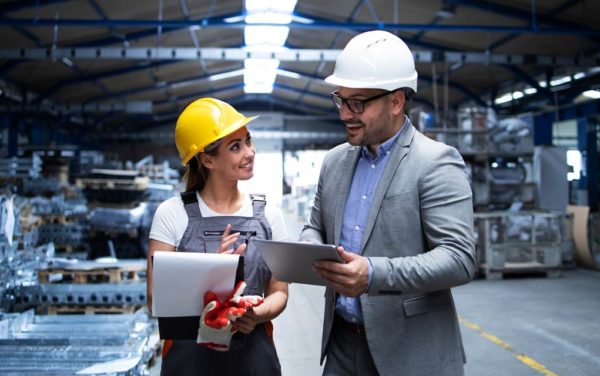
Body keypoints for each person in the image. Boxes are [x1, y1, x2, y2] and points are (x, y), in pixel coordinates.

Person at [299, 30, 476, 376]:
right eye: (341, 100)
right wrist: (309, 251)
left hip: (410, 352)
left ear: (395, 102)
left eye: (358, 104)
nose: (345, 114)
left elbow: (459, 259)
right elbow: (314, 226)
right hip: (340, 346)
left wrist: (374, 274)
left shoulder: (436, 162)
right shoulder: (335, 162)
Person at [147, 97, 288, 375]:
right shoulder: (172, 214)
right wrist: (211, 272)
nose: (250, 152)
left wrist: (258, 314)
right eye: (236, 147)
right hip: (189, 359)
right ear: (208, 159)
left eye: (248, 141)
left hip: (253, 356)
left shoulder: (269, 215)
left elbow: (279, 292)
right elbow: (155, 299)